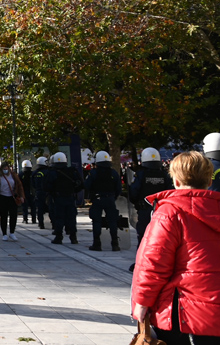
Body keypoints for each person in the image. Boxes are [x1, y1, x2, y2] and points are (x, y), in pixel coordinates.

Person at [131, 151, 220, 345]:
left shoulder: (170, 212)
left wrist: (142, 302)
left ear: (176, 181)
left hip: (183, 313)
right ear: (208, 180)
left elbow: (153, 263)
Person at [130, 147, 173, 251]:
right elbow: (170, 192)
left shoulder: (141, 175)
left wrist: (136, 202)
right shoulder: (165, 175)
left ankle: (140, 261)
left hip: (145, 209)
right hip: (161, 210)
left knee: (143, 235)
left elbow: (134, 191)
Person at [84, 151, 121, 251]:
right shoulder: (113, 172)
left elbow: (87, 185)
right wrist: (113, 197)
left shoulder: (93, 173)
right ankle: (115, 243)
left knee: (97, 221)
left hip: (98, 199)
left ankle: (97, 243)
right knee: (113, 221)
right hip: (110, 198)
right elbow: (119, 188)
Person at [44, 152, 83, 244]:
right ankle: (73, 237)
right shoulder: (72, 171)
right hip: (70, 198)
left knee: (59, 218)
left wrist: (52, 193)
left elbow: (46, 186)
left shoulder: (52, 173)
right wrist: (73, 191)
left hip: (58, 198)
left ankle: (58, 237)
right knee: (72, 218)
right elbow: (81, 184)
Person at [0, 161, 25, 241]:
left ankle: (12, 232)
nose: (5, 170)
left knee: (13, 215)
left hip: (12, 198)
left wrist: (21, 196)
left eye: (7, 168)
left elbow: (19, 185)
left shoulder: (13, 175)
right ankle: (4, 234)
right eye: (4, 169)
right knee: (3, 216)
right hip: (1, 198)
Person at [32, 156, 51, 229]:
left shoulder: (34, 173)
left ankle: (41, 223)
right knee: (50, 208)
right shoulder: (48, 172)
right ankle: (53, 223)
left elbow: (33, 184)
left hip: (38, 192)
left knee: (39, 209)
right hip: (47, 193)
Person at [19, 160, 37, 224]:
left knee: (24, 206)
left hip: (24, 192)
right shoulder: (33, 174)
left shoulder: (21, 174)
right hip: (32, 192)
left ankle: (25, 219)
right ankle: (34, 219)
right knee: (33, 207)